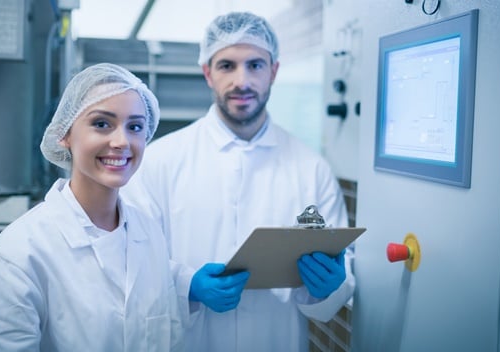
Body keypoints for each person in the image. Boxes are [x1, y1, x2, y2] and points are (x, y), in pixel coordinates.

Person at [122, 11, 354, 352]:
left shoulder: (311, 168)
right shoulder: (160, 162)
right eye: (227, 65)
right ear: (207, 73)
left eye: (256, 65)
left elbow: (341, 269)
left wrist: (329, 287)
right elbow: (130, 261)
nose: (242, 81)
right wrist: (187, 286)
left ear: (274, 71)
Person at [0, 63, 184, 351]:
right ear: (65, 134)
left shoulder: (148, 233)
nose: (122, 141)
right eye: (101, 124)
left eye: (135, 127)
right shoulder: (14, 259)